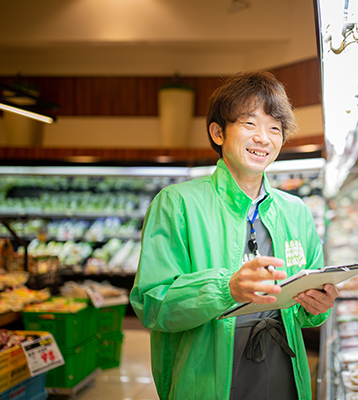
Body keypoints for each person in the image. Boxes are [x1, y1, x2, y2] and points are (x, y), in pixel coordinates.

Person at [130, 71, 338, 400]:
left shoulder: (295, 210)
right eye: (249, 123)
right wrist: (227, 288)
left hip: (283, 366)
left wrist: (317, 305)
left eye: (274, 128)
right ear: (218, 132)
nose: (263, 138)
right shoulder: (177, 204)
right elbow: (153, 303)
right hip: (207, 376)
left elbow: (304, 311)